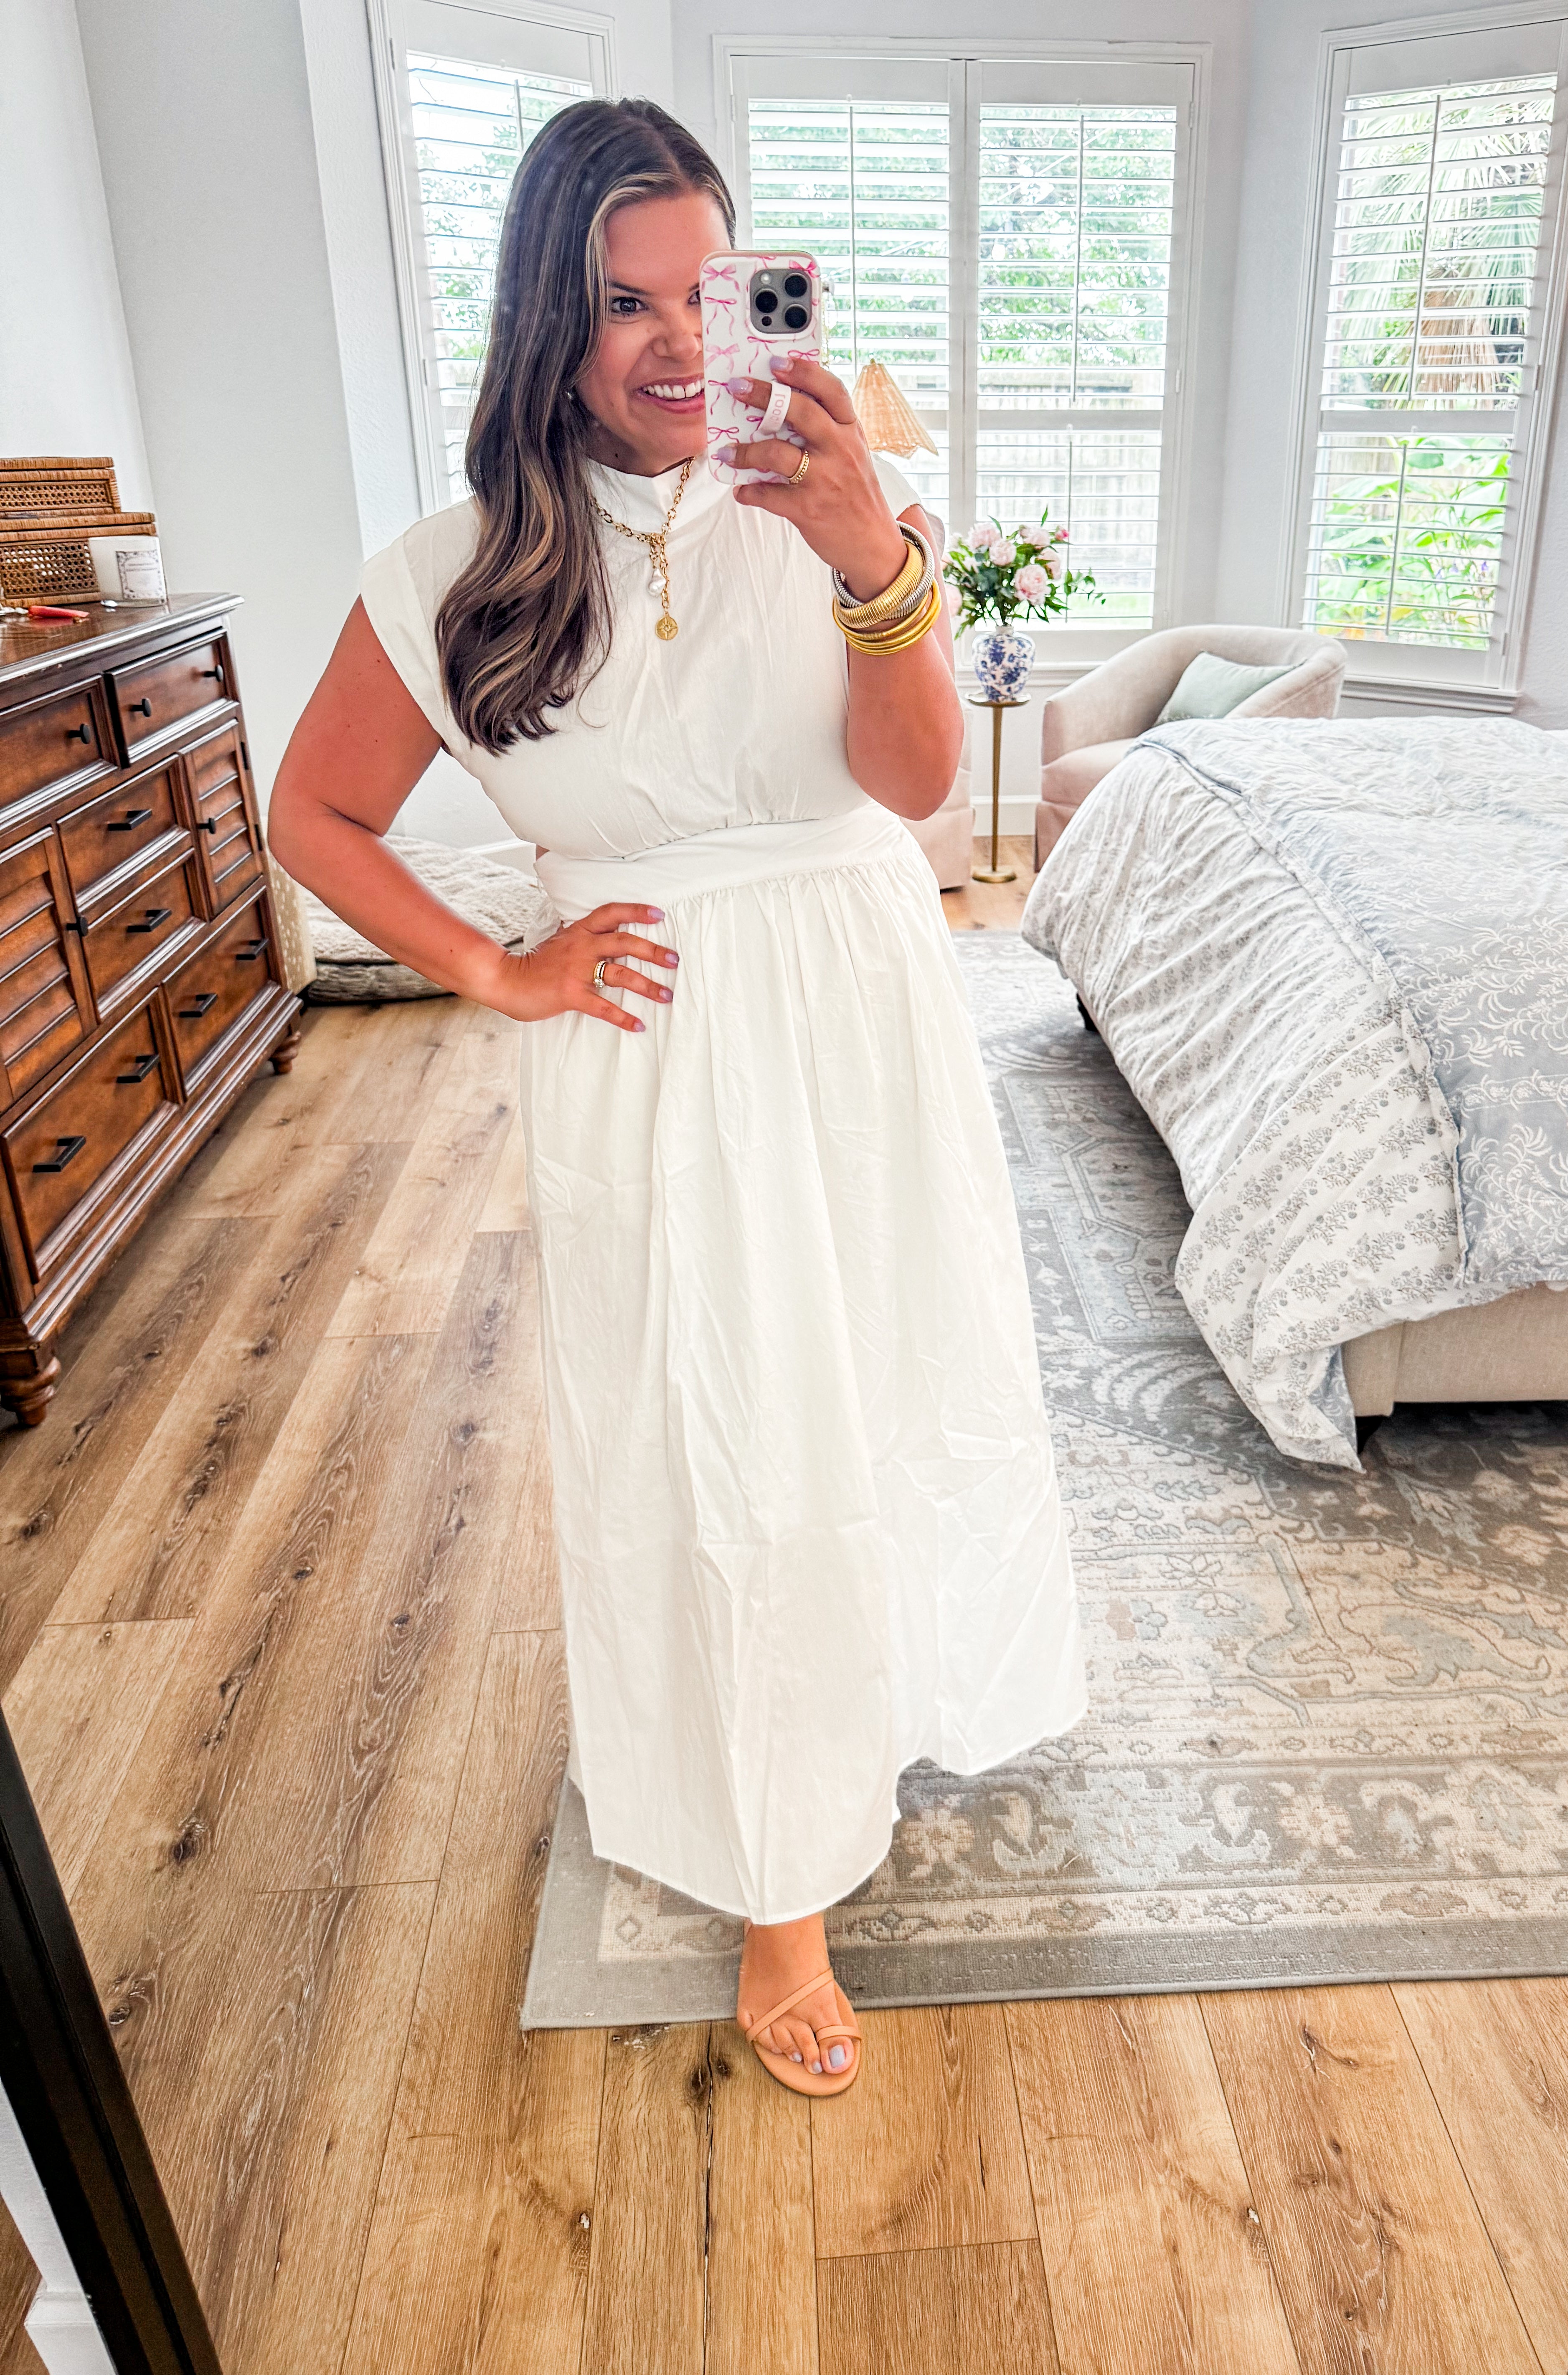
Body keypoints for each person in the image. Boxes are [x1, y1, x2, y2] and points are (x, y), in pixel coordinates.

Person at [268, 97, 1085, 2099]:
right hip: (648, 1040)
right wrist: (496, 968)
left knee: (895, 1380)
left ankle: (894, 1693)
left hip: (862, 1005)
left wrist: (873, 556)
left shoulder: (831, 499)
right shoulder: (451, 571)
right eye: (621, 301)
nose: (668, 342)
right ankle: (778, 1878)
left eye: (704, 294)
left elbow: (916, 788)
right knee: (720, 1436)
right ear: (546, 322)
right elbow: (317, 814)